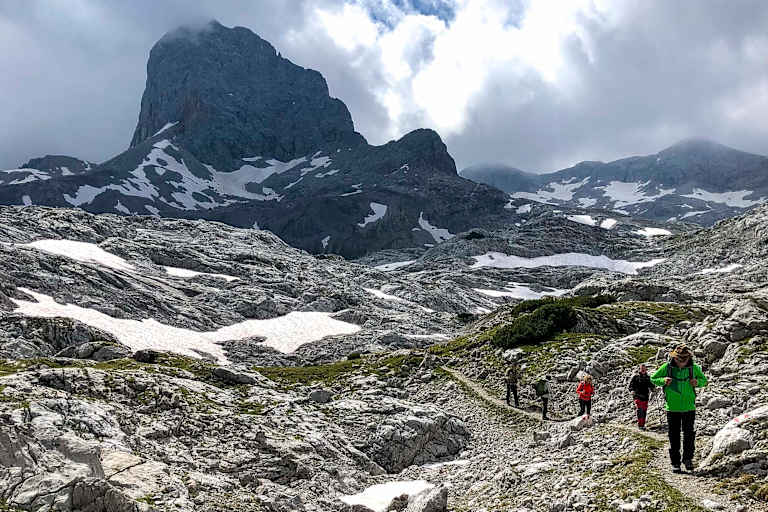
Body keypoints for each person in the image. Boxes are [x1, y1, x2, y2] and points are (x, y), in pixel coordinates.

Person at [651, 344, 707, 472]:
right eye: (678, 359)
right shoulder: (667, 367)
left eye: (684, 359)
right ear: (674, 358)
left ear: (688, 358)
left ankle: (688, 460)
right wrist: (663, 380)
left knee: (689, 435)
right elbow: (653, 378)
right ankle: (675, 463)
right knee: (674, 435)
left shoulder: (694, 368)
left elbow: (704, 381)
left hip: (689, 407)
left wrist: (697, 382)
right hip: (672, 408)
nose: (681, 362)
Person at [629, 364, 655, 429]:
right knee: (640, 410)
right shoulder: (635, 377)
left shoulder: (648, 377)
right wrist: (632, 391)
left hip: (645, 397)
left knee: (644, 411)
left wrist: (653, 388)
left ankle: (642, 425)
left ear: (646, 369)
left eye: (644, 368)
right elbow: (631, 386)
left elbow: (651, 385)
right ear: (639, 369)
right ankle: (640, 425)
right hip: (637, 396)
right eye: (642, 368)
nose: (643, 370)